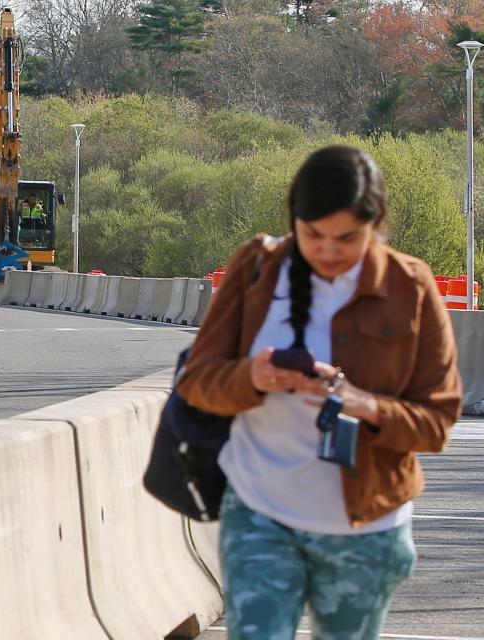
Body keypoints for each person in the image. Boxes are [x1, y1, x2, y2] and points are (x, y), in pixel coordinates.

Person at [177, 145, 462, 640]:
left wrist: (358, 401)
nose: (328, 251)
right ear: (294, 219)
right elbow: (197, 383)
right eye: (313, 235)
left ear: (376, 224)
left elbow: (436, 424)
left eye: (347, 238)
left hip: (366, 528)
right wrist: (253, 378)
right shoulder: (257, 268)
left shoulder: (409, 286)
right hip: (258, 511)